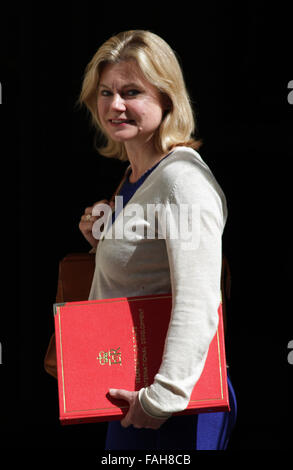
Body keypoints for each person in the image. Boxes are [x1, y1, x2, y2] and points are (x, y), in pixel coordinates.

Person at [78, 30, 237, 450]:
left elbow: (198, 299)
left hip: (173, 405)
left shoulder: (182, 180)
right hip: (136, 397)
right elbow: (149, 271)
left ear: (167, 99)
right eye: (106, 91)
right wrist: (102, 241)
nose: (115, 105)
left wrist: (163, 398)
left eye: (132, 91)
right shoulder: (135, 176)